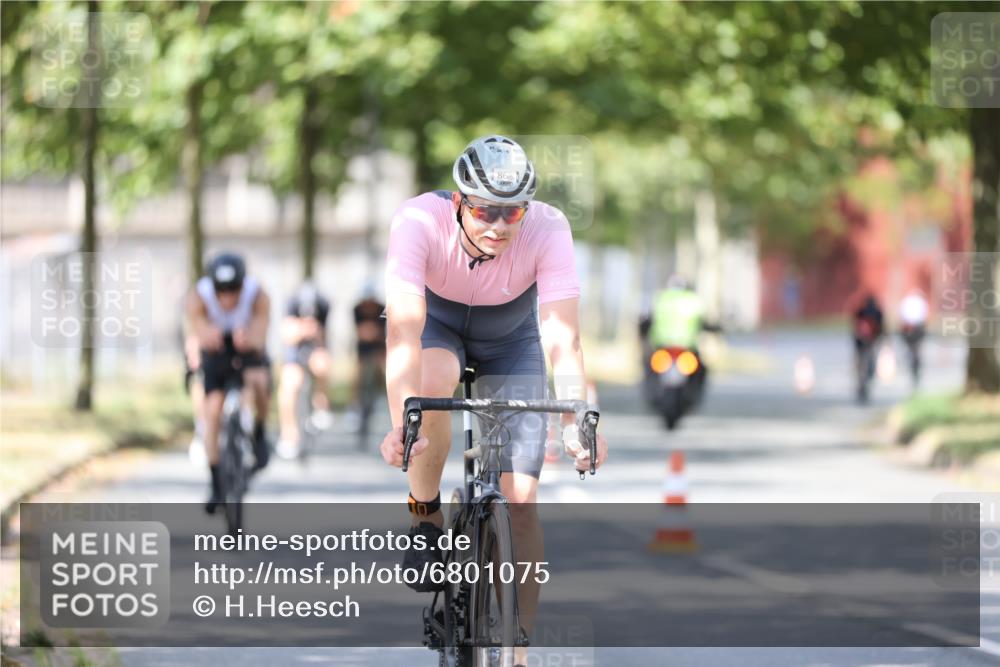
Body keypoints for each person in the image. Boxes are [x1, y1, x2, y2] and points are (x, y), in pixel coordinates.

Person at [378, 135, 608, 650]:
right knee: (433, 382)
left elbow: (562, 336)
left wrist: (578, 421)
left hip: (510, 342)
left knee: (522, 500)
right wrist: (401, 425)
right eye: (486, 211)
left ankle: (518, 649)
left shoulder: (548, 227)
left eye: (513, 213)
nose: (499, 226)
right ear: (459, 202)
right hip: (438, 331)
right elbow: (403, 334)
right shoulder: (417, 221)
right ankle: (425, 512)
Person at [185, 252, 272, 514]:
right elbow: (197, 328)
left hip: (248, 351)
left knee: (259, 381)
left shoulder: (258, 296)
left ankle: (259, 433)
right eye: (222, 291)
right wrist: (208, 336)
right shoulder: (198, 297)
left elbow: (260, 331)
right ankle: (216, 484)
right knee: (213, 410)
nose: (228, 298)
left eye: (233, 290)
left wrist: (250, 339)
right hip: (216, 353)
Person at [276, 281, 333, 459]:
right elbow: (287, 336)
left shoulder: (323, 305)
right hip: (295, 350)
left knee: (322, 365)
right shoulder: (291, 304)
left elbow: (323, 338)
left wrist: (315, 336)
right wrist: (301, 330)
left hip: (314, 347)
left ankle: (320, 405)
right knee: (290, 384)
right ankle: (289, 434)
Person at [350, 285, 387, 443]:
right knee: (358, 379)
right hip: (363, 350)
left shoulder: (382, 308)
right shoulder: (357, 309)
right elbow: (361, 332)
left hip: (380, 348)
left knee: (386, 374)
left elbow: (380, 331)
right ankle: (355, 405)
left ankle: (384, 401)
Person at [852, 294, 884, 402]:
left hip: (861, 341)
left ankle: (861, 382)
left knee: (861, 363)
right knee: (869, 363)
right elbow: (881, 328)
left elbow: (854, 324)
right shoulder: (877, 312)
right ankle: (864, 380)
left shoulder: (861, 311)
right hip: (870, 341)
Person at [899, 287, 929, 386]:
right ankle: (914, 363)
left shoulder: (906, 301)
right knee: (916, 349)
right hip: (916, 328)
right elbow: (924, 317)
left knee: (912, 349)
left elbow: (902, 316)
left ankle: (913, 362)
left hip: (909, 328)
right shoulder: (920, 302)